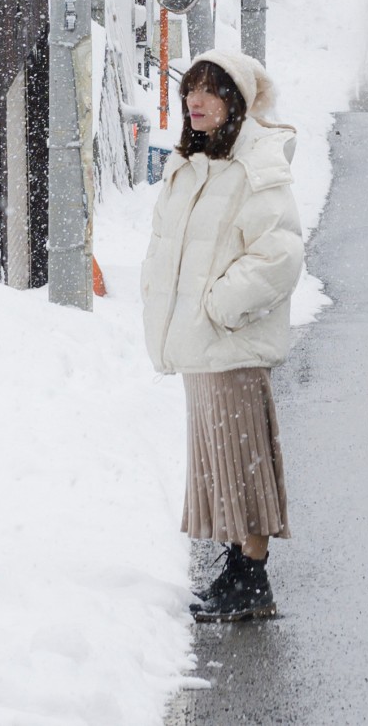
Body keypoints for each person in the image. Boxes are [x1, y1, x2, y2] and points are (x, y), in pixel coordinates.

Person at [140, 49, 304, 623]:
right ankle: (237, 570)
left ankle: (253, 578)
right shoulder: (192, 165)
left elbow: (279, 254)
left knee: (244, 460)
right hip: (201, 345)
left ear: (234, 100)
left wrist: (220, 308)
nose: (196, 101)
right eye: (191, 90)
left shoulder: (254, 166)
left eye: (210, 91)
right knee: (220, 463)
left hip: (229, 342)